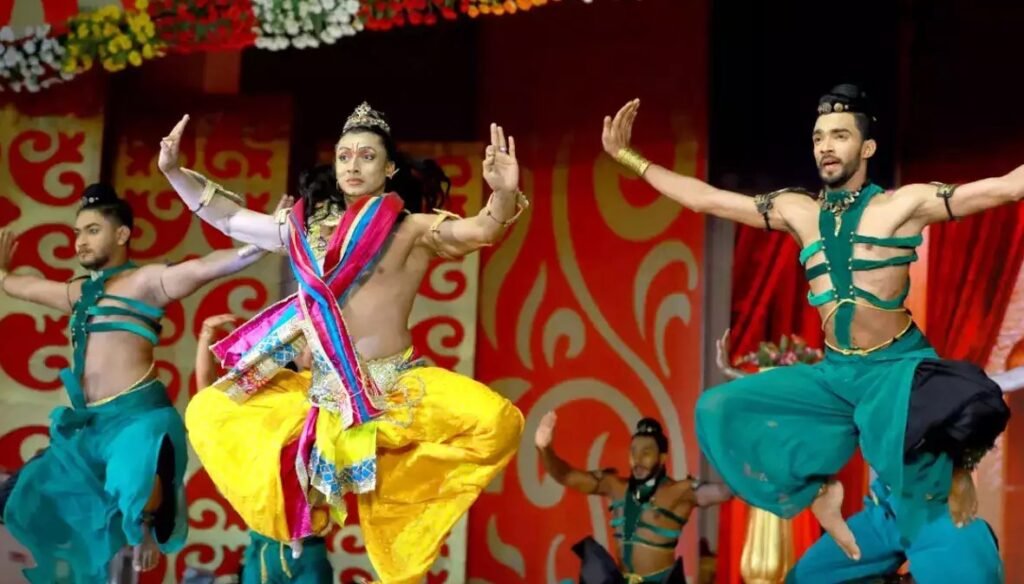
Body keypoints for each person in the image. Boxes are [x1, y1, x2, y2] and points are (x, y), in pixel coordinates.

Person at [602, 84, 1011, 583]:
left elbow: (1004, 188)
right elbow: (706, 199)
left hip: (894, 370)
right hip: (837, 374)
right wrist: (632, 159)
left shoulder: (903, 205)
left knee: (907, 471)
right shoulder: (798, 211)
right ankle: (820, 494)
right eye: (818, 137)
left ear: (867, 147)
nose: (825, 147)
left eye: (839, 135)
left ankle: (935, 521)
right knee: (720, 408)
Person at [158, 103, 527, 583]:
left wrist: (504, 193)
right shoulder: (302, 230)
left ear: (389, 169)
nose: (353, 165)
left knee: (496, 422)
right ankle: (300, 520)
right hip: (321, 392)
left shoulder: (413, 229)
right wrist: (174, 172)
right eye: (345, 155)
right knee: (209, 411)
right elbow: (229, 220)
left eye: (367, 156)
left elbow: (482, 230)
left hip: (394, 387)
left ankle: (396, 501)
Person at [0, 184, 269, 582]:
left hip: (136, 417)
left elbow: (205, 267)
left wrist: (263, 240)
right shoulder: (80, 292)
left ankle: (143, 529)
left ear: (122, 234)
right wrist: (3, 274)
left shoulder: (146, 281)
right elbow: (26, 287)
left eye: (93, 230)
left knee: (136, 471)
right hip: (89, 426)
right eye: (77, 232)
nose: (80, 241)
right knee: (19, 498)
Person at [196, 312, 333, 584]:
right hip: (261, 549)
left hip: (309, 549)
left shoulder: (324, 395)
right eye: (303, 341)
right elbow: (210, 404)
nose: (308, 348)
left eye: (314, 341)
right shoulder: (269, 395)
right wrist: (205, 338)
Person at [534, 411, 732, 583]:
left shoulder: (679, 492)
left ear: (662, 457)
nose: (637, 460)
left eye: (646, 452)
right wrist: (545, 449)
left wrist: (744, 467)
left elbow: (723, 492)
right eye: (633, 451)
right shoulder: (615, 486)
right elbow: (566, 476)